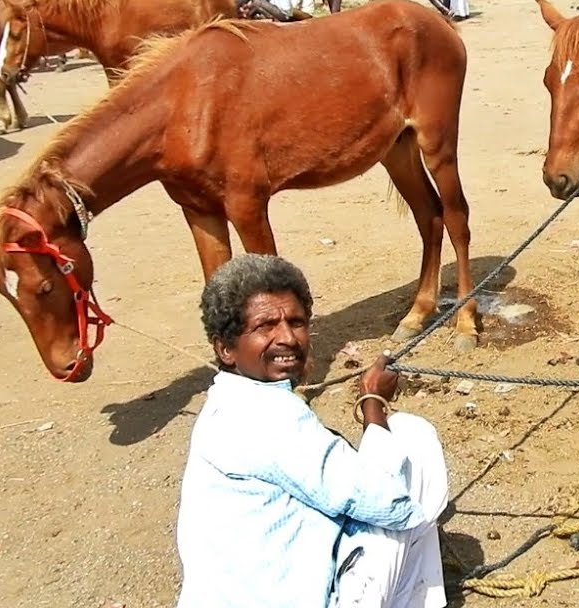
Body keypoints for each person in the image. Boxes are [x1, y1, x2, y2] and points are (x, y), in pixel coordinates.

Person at [175, 254, 449, 608]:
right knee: (411, 438)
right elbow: (393, 504)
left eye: (296, 322)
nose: (288, 338)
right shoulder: (268, 416)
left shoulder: (223, 404)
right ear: (225, 349)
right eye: (266, 327)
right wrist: (373, 405)